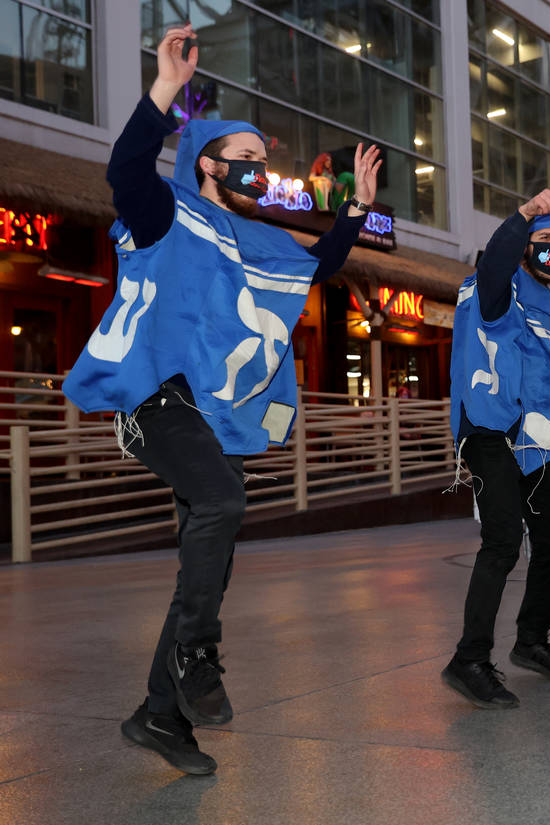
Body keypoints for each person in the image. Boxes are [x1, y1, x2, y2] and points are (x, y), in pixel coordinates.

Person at [62, 24, 380, 774]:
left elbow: (322, 261)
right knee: (223, 502)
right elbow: (125, 167)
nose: (260, 177)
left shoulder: (252, 237)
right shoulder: (166, 212)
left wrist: (358, 209)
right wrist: (165, 90)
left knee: (208, 559)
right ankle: (198, 657)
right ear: (207, 164)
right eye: (246, 163)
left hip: (204, 411)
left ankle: (158, 716)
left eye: (263, 167)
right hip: (153, 397)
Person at [442, 181, 550, 709]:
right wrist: (524, 213)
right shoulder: (496, 286)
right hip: (488, 430)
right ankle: (470, 659)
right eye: (544, 236)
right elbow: (495, 264)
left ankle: (530, 642)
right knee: (503, 540)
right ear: (524, 243)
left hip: (529, 440)